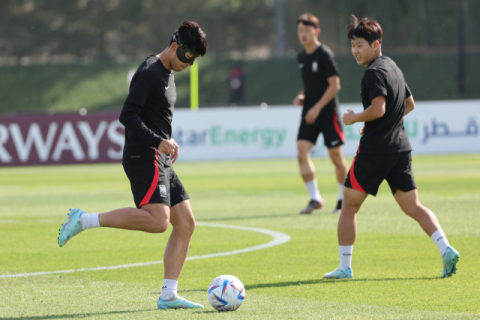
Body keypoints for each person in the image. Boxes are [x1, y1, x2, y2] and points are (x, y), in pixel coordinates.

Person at [58, 21, 208, 309]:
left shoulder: (168, 72)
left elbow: (155, 115)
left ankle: (168, 295)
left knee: (186, 223)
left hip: (159, 156)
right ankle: (83, 220)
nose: (188, 65)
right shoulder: (150, 72)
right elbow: (127, 115)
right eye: (187, 58)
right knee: (158, 221)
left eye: (194, 61)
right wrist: (157, 141)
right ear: (175, 46)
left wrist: (168, 140)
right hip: (144, 156)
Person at [324, 16, 460, 279]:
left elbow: (379, 108)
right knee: (414, 207)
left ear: (376, 45)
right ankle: (446, 249)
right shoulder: (393, 67)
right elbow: (409, 105)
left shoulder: (373, 71)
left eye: (360, 44)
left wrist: (355, 118)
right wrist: (381, 124)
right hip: (400, 149)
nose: (355, 50)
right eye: (352, 44)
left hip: (375, 150)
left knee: (349, 205)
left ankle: (344, 267)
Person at [293, 13, 349, 214]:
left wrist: (316, 108)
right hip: (309, 114)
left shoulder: (324, 54)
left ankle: (343, 199)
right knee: (301, 154)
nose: (303, 34)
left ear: (316, 31)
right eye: (300, 30)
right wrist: (302, 95)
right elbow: (310, 85)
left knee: (336, 157)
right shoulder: (301, 56)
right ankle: (315, 198)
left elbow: (335, 85)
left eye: (307, 30)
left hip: (327, 113)